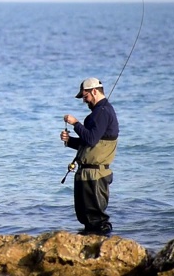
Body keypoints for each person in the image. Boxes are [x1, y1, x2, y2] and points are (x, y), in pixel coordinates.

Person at [60, 77, 119, 235]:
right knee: (86, 217)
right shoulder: (98, 113)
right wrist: (69, 141)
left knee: (96, 219)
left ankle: (102, 248)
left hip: (95, 175)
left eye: (85, 97)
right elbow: (89, 144)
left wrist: (75, 123)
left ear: (94, 91)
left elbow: (91, 139)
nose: (84, 101)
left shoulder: (103, 112)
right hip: (87, 173)